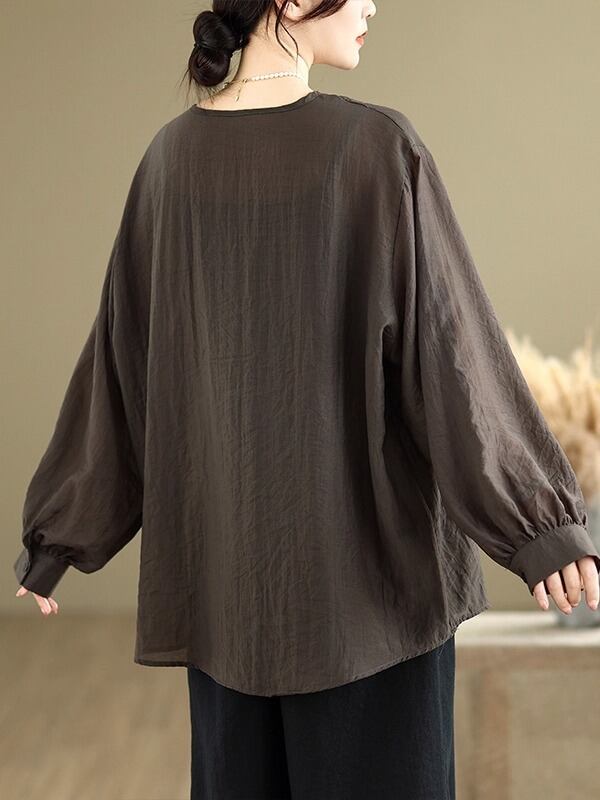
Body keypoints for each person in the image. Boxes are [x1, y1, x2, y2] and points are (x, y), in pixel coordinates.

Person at [14, 1, 600, 798]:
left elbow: (121, 373)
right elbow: (453, 357)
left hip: (227, 604)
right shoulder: (377, 149)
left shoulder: (169, 161)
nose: (372, 5)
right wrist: (541, 527)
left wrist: (59, 534)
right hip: (373, 609)